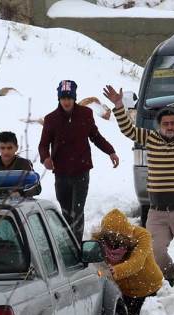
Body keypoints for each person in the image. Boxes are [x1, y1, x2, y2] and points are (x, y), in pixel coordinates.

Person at [104, 78, 174, 285]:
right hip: (157, 211)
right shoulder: (150, 138)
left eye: (173, 123)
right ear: (159, 126)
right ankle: (170, 276)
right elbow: (128, 130)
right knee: (153, 251)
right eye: (166, 124)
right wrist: (119, 106)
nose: (170, 127)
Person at [38, 80, 120, 240]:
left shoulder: (85, 114)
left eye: (69, 98)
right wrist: (45, 158)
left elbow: (95, 137)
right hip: (61, 172)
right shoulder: (51, 119)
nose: (66, 101)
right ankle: (67, 242)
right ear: (59, 99)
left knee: (77, 210)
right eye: (63, 98)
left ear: (74, 98)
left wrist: (111, 151)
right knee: (66, 210)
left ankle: (76, 245)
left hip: (81, 171)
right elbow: (43, 145)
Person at [92, 209, 163, 315]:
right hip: (123, 291)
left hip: (148, 289)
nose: (113, 241)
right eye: (109, 237)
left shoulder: (142, 236)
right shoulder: (98, 242)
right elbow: (94, 262)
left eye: (118, 238)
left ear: (126, 234)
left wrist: (114, 271)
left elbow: (137, 263)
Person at [0, 131, 41, 196]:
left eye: (9, 148)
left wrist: (20, 193)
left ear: (16, 148)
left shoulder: (24, 164)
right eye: (2, 148)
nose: (6, 152)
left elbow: (37, 187)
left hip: (20, 202)